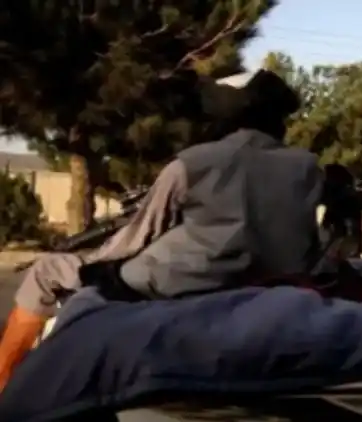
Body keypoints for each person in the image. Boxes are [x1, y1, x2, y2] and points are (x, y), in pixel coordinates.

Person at [0, 69, 324, 389]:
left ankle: (4, 384)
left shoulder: (193, 162)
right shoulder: (307, 167)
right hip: (269, 285)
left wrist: (93, 264)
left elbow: (136, 237)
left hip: (178, 285)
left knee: (47, 271)